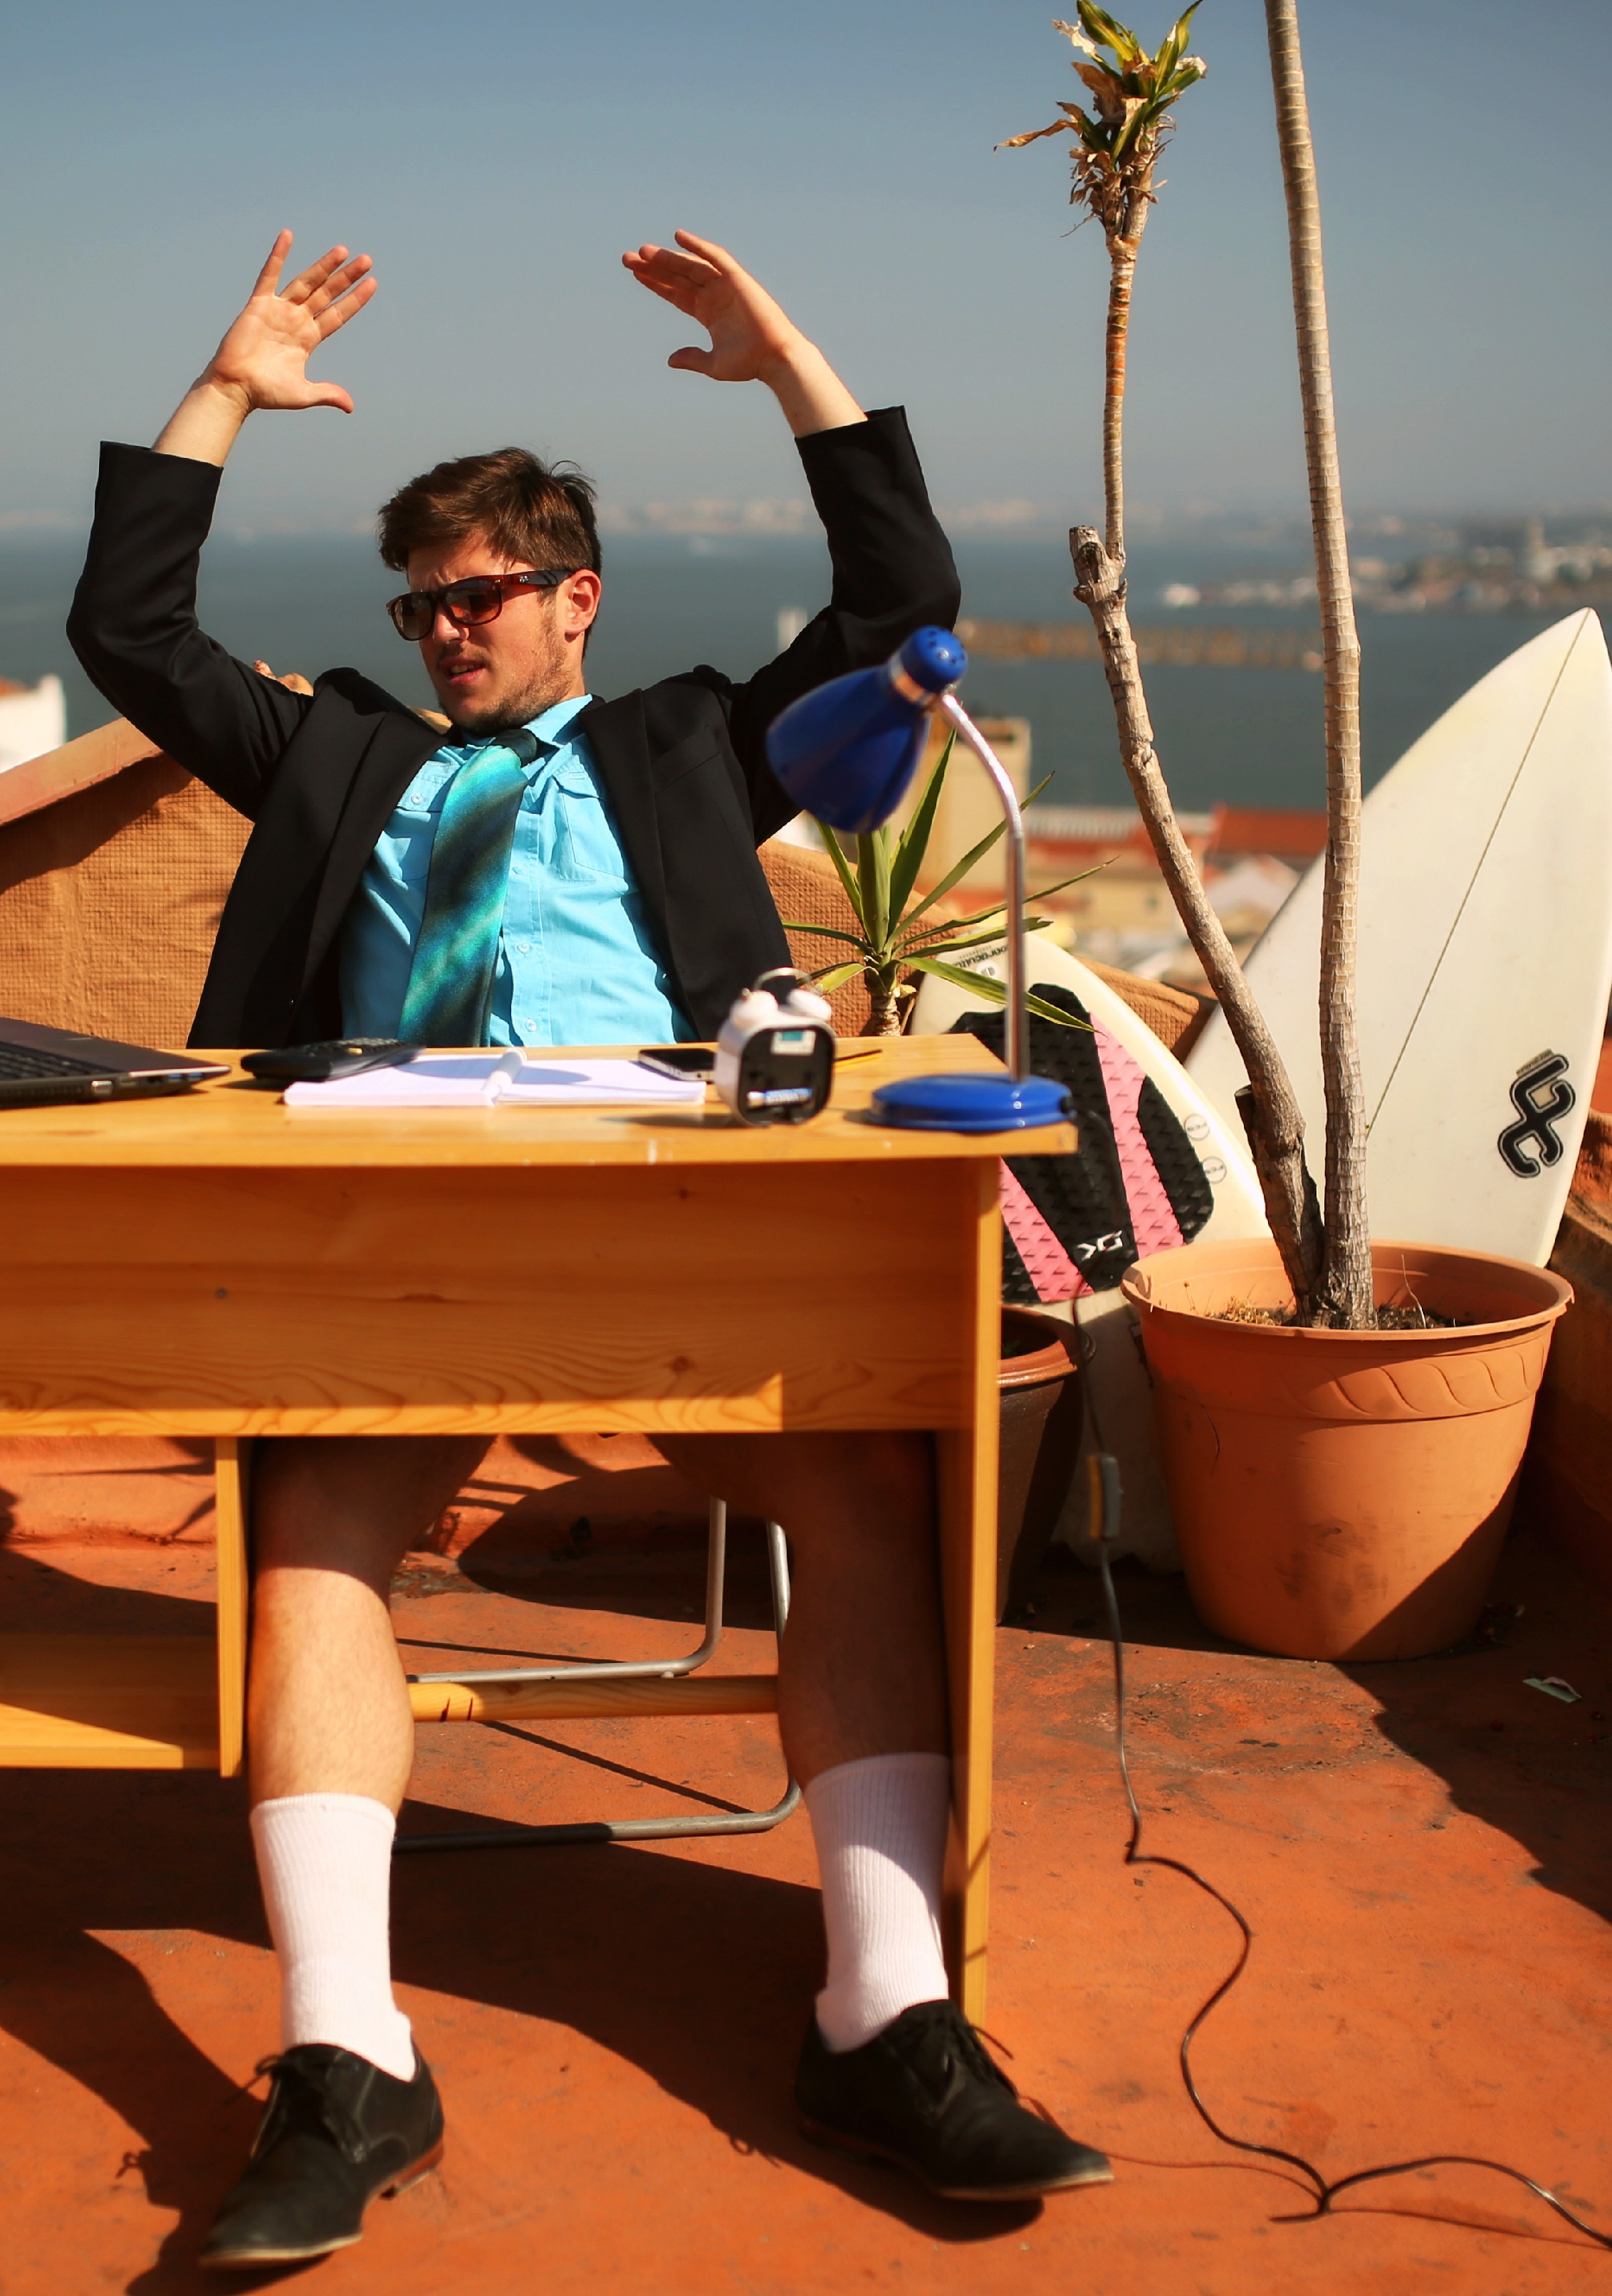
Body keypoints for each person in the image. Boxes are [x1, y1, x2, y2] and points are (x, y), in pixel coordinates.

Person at [66, 228, 1109, 2273]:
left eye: (482, 596)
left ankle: (884, 2010)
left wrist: (787, 359)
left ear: (576, 599)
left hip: (670, 1222)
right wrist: (225, 390)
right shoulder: (337, 757)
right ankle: (345, 2056)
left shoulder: (686, 744)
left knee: (861, 1491)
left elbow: (900, 608)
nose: (449, 630)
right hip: (397, 1237)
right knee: (310, 1547)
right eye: (421, 603)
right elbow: (129, 627)